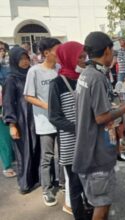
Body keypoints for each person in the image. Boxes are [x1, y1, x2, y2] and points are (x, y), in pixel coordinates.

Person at [73, 31, 125, 220]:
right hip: (96, 155)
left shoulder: (87, 74)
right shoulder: (97, 77)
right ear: (107, 51)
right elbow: (101, 117)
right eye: (113, 51)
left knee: (101, 202)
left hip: (89, 150)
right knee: (101, 206)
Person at [48, 41, 92, 219]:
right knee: (75, 184)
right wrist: (79, 128)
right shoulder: (56, 83)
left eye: (84, 56)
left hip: (89, 139)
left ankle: (93, 212)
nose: (83, 60)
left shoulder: (86, 78)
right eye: (79, 57)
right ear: (68, 58)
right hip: (71, 142)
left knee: (90, 181)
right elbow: (54, 117)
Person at [23, 37, 61, 206]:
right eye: (57, 50)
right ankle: (47, 189)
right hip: (45, 122)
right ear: (47, 53)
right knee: (47, 157)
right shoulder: (35, 71)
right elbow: (28, 96)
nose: (60, 53)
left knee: (64, 154)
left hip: (62, 120)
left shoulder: (60, 69)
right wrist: (48, 106)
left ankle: (63, 183)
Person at [2, 47, 41, 193]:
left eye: (26, 58)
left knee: (37, 149)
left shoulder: (32, 74)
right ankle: (24, 183)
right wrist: (12, 124)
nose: (25, 62)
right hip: (21, 121)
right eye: (21, 59)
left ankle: (36, 178)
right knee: (23, 152)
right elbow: (8, 103)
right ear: (14, 61)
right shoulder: (11, 79)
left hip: (36, 118)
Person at [0, 41, 16, 178]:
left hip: (8, 105)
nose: (1, 52)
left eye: (2, 49)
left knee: (12, 136)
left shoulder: (6, 68)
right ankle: (7, 165)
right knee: (4, 138)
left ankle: (13, 159)